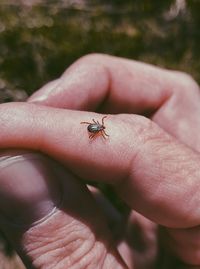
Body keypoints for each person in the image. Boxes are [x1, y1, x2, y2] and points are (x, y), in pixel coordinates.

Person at [0, 53, 200, 269]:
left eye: (101, 128)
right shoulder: (98, 127)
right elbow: (95, 128)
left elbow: (94, 127)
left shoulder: (96, 127)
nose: (101, 128)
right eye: (101, 127)